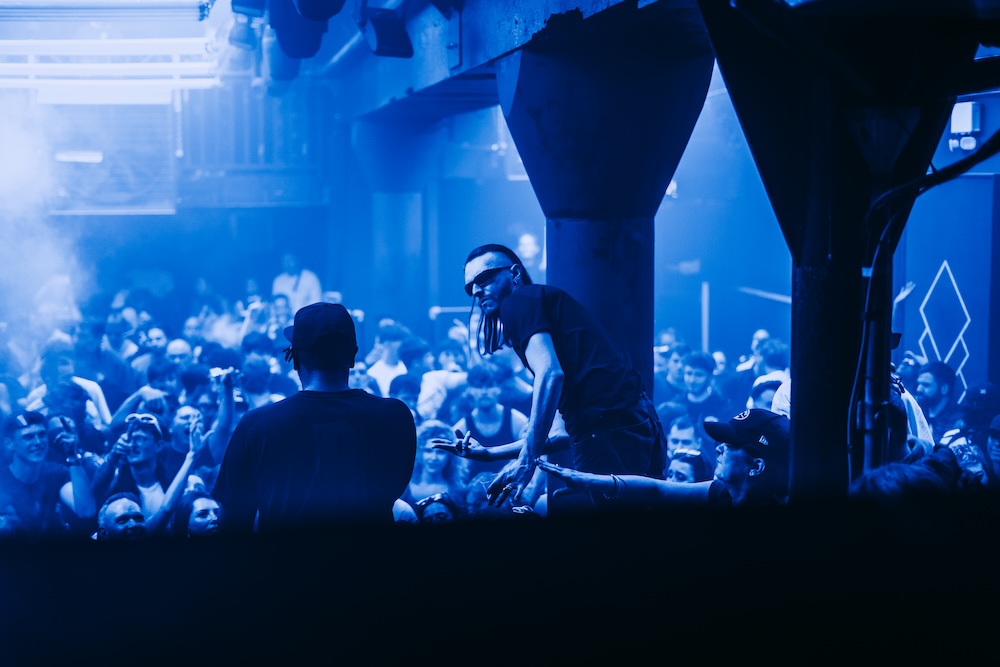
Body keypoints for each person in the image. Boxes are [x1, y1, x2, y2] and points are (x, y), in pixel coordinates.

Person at [439, 243, 666, 509]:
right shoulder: (542, 307)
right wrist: (491, 453)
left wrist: (526, 461)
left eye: (485, 278)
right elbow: (561, 435)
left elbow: (550, 374)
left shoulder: (518, 302)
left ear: (515, 273)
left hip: (612, 435)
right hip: (635, 425)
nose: (477, 290)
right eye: (470, 287)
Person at [212, 302, 416, 533]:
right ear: (353, 356)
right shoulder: (394, 416)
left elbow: (232, 521)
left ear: (295, 358)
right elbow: (394, 488)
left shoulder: (257, 425)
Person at [537, 408, 791, 509]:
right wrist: (592, 480)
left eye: (730, 445)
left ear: (756, 466)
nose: (718, 449)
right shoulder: (724, 493)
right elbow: (658, 490)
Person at [0, 410, 97, 538]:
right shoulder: (2, 479)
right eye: (28, 437)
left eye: (42, 435)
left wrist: (73, 455)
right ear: (9, 444)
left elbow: (86, 510)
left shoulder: (56, 473)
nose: (38, 442)